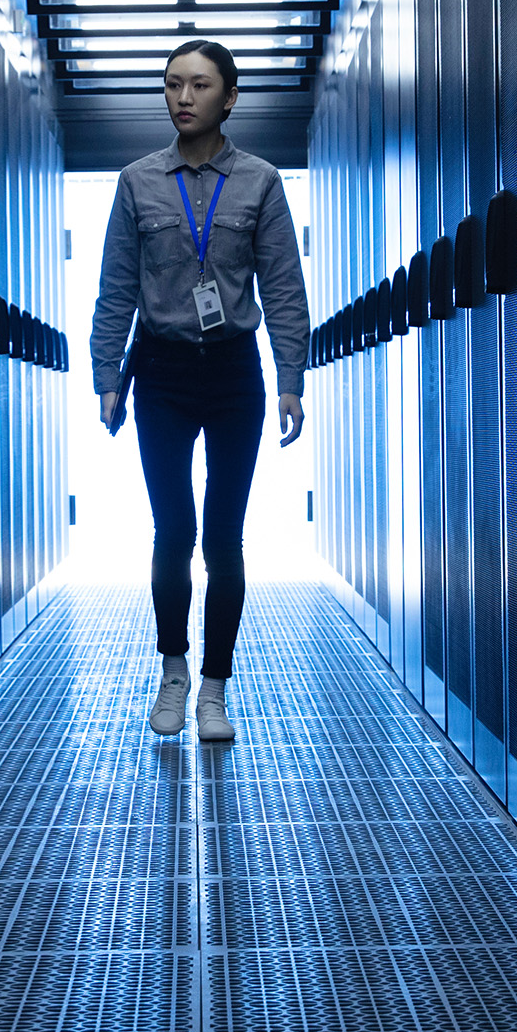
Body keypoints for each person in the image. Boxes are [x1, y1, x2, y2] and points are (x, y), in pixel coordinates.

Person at [88, 40, 308, 743]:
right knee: (172, 530)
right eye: (173, 85)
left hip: (236, 374)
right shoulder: (136, 182)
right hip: (161, 372)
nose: (183, 98)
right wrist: (106, 380)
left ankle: (215, 688)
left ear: (230, 96)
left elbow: (283, 287)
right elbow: (116, 286)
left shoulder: (262, 182)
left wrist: (291, 382)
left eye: (200, 85)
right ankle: (173, 673)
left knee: (224, 538)